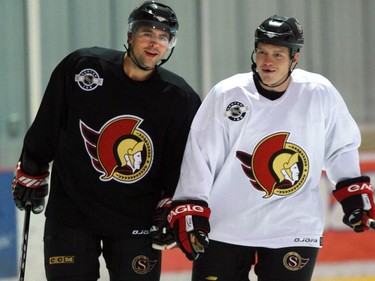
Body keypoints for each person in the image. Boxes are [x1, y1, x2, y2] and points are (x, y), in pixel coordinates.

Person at [167, 15, 375, 281]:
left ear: (295, 59)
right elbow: (200, 154)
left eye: (278, 54)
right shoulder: (228, 94)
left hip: (293, 227)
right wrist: (191, 205)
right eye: (262, 52)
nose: (267, 61)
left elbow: (341, 146)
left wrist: (352, 194)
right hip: (226, 225)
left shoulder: (318, 93)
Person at [11, 1, 201, 280]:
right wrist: (31, 168)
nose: (154, 42)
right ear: (130, 36)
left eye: (163, 36)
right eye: (147, 33)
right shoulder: (83, 68)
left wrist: (170, 203)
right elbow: (48, 124)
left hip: (136, 220)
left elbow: (181, 161)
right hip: (72, 214)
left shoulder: (179, 98)